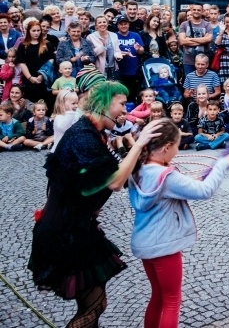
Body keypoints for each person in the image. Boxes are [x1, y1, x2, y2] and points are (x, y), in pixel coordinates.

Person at [28, 82, 161, 327]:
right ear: (103, 104)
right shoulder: (83, 135)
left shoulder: (94, 133)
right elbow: (116, 181)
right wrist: (140, 144)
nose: (125, 110)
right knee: (94, 305)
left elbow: (96, 178)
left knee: (94, 305)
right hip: (64, 234)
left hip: (77, 227)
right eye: (121, 103)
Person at [128, 118, 229, 328]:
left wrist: (191, 178)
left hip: (144, 244)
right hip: (164, 247)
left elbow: (172, 185)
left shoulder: (138, 168)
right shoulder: (166, 176)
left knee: (158, 296)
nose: (177, 152)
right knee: (171, 300)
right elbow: (204, 191)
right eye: (176, 147)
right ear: (166, 147)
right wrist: (222, 165)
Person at [17, 19, 57, 106]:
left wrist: (42, 74)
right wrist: (30, 77)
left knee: (46, 104)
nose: (36, 33)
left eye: (38, 30)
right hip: (29, 79)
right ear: (29, 31)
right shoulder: (23, 45)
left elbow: (51, 60)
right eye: (34, 31)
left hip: (44, 79)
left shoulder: (47, 44)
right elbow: (22, 63)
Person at [178, 3, 213, 76]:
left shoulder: (207, 24)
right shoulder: (184, 24)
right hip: (188, 61)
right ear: (191, 10)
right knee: (190, 84)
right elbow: (182, 41)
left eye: (198, 10)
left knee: (203, 85)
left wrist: (189, 40)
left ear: (202, 11)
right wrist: (203, 40)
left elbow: (209, 39)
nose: (196, 11)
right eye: (194, 9)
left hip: (203, 62)